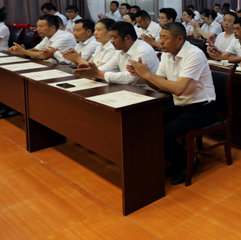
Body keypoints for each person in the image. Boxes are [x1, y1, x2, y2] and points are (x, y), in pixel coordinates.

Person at [127, 22, 218, 186]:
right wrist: (142, 76)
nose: (160, 41)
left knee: (164, 133)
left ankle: (188, 161)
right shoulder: (167, 54)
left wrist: (148, 74)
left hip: (202, 107)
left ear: (179, 39)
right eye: (160, 37)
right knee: (149, 123)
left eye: (164, 38)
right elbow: (160, 84)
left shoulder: (194, 54)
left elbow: (178, 89)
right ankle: (176, 160)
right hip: (180, 103)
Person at [72, 21, 159, 84]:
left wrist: (98, 73)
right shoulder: (120, 49)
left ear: (127, 38)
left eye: (114, 37)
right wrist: (91, 71)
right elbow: (109, 67)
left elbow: (130, 77)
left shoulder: (143, 51)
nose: (111, 41)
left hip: (149, 93)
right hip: (129, 89)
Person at [9, 15, 77, 61]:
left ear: (52, 28)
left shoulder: (64, 37)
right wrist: (20, 51)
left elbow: (44, 55)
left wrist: (23, 51)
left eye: (41, 26)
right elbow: (35, 50)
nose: (38, 29)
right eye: (37, 26)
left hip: (67, 68)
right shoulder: (48, 36)